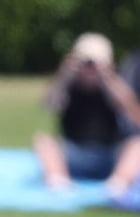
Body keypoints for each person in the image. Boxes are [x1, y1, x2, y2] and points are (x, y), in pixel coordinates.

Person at [34, 32, 140, 196]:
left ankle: (118, 183)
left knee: (136, 144)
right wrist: (64, 74)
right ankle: (58, 180)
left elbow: (133, 113)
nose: (90, 68)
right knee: (44, 141)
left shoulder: (113, 87)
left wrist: (108, 77)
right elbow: (48, 104)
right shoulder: (68, 86)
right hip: (74, 152)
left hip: (109, 153)